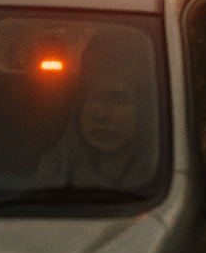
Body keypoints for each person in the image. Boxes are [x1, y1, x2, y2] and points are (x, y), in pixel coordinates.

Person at [34, 26, 159, 189]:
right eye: (89, 96)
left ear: (146, 106)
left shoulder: (168, 180)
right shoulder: (54, 172)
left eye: (117, 99)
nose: (99, 114)